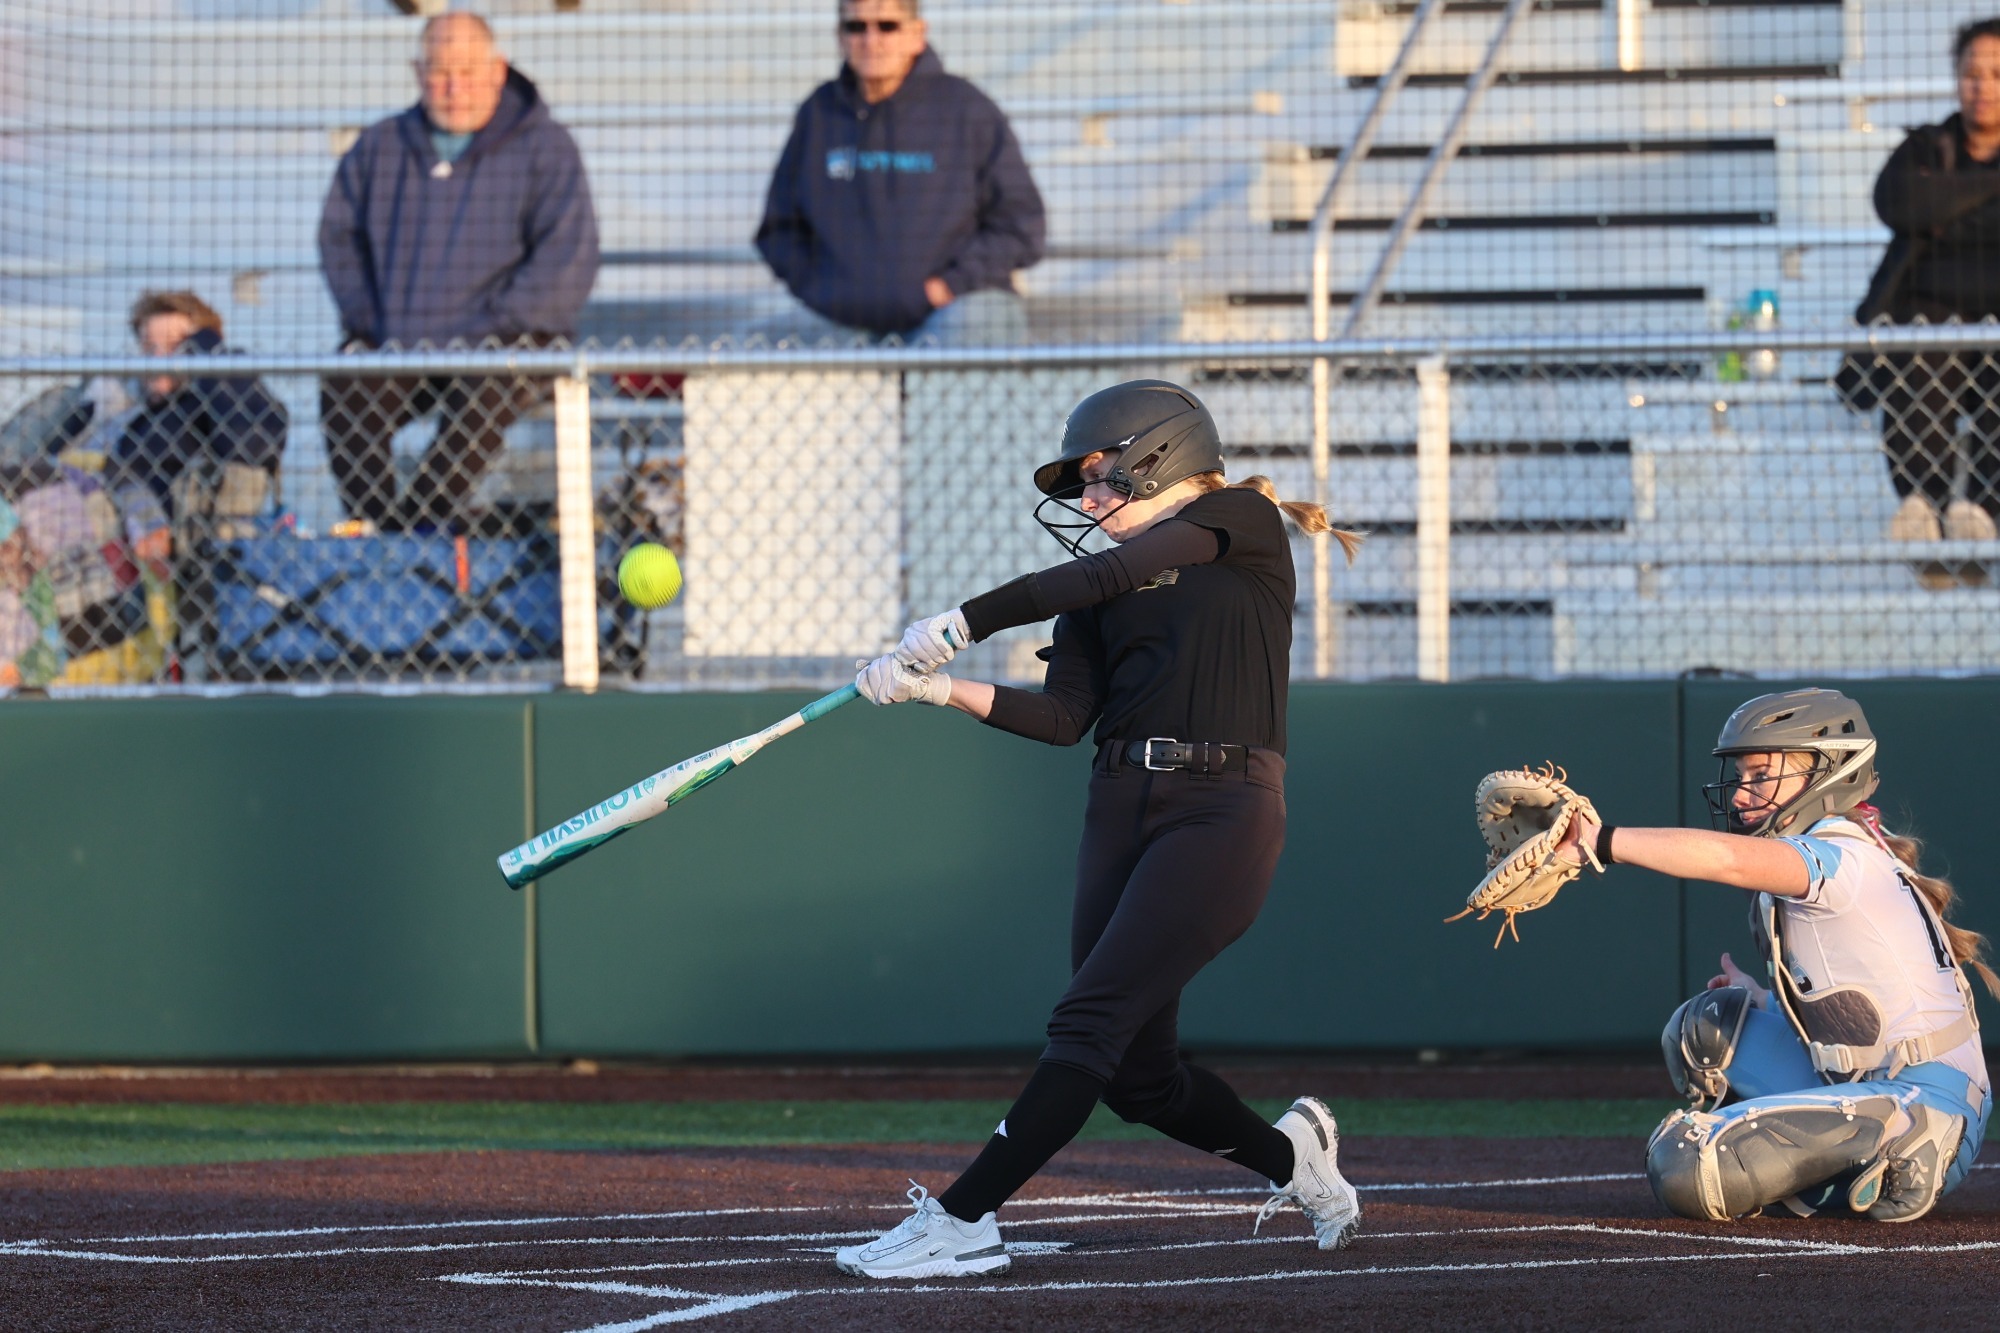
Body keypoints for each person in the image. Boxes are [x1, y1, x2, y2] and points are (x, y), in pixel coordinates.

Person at [836, 380, 1367, 1278]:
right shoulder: (1095, 587)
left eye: (1101, 479)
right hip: (1119, 803)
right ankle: (1293, 1161)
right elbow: (1062, 717)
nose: (1086, 501)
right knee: (1137, 1075)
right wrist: (936, 689)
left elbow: (1106, 570)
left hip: (1222, 808)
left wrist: (963, 621)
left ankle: (964, 1219)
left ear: (1159, 458)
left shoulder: (1238, 519)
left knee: (1085, 1019)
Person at [1552, 688, 1993, 1223]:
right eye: (1742, 778)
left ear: (1829, 772)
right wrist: (1768, 998)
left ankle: (1904, 1143)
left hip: (1928, 1097)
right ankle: (1832, 1168)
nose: (1741, 794)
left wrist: (1600, 842)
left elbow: (1728, 860)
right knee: (1704, 1028)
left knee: (1690, 1165)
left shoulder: (1843, 854)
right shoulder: (1845, 846)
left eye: (1761, 775)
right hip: (1860, 1079)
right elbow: (1866, 1004)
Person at [317, 11, 599, 531]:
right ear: (417, 73)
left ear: (498, 71)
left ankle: (419, 531)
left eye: (468, 71)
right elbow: (339, 238)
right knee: (347, 383)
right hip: (400, 345)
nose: (454, 88)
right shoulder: (379, 148)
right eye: (440, 72)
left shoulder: (546, 148)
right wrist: (371, 324)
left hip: (506, 344)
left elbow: (565, 260)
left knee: (488, 386)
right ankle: (376, 534)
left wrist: (495, 328)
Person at [753, 0, 1044, 346]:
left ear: (917, 34)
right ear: (840, 37)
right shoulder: (819, 113)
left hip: (952, 310)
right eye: (856, 27)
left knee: (972, 329)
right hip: (845, 319)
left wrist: (949, 286)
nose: (871, 40)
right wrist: (827, 293)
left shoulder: (967, 110)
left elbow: (1022, 227)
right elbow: (778, 231)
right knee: (756, 345)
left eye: (887, 26)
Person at [1863, 18, 2000, 542]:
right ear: (1956, 79)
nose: (1982, 86)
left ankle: (1983, 514)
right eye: (1972, 73)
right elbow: (1898, 202)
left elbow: (1923, 207)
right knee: (1922, 336)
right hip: (1931, 307)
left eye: (1994, 73)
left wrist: (1944, 208)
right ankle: (1924, 505)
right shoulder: (1926, 146)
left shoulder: (1934, 168)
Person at [111, 290, 288, 539]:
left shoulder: (219, 398)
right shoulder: (118, 403)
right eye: (149, 347)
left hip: (194, 542)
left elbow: (251, 446)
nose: (158, 359)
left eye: (175, 346)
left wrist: (206, 347)